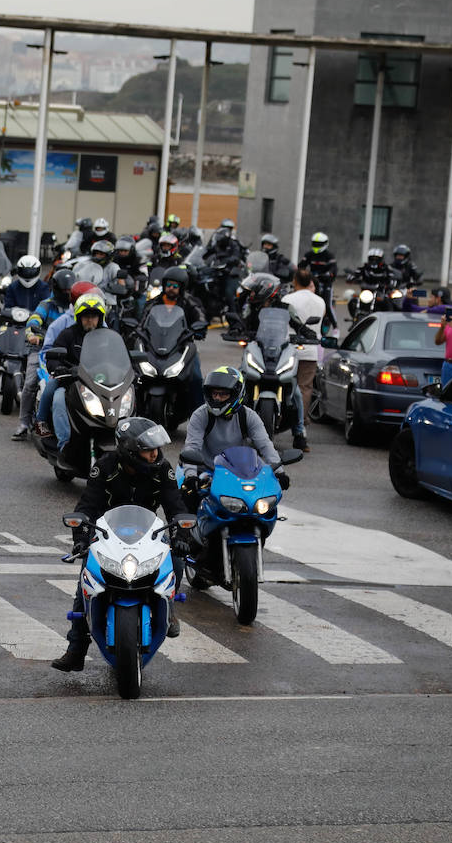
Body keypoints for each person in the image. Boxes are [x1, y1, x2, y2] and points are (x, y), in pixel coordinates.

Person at [51, 417, 193, 671]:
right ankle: (76, 649)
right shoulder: (104, 467)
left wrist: (181, 538)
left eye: (156, 449)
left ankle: (168, 607)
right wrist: (81, 540)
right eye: (148, 450)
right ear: (130, 453)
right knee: (87, 582)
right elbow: (87, 506)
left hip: (148, 533)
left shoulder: (162, 469)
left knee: (177, 560)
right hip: (108, 536)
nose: (155, 454)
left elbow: (175, 506)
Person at [181, 366, 286, 506]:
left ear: (237, 394)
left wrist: (279, 472)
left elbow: (265, 445)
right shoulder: (200, 415)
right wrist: (190, 476)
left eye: (223, 394)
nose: (217, 398)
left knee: (262, 508)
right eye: (214, 394)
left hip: (239, 474)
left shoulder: (249, 417)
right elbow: (192, 447)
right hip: (204, 471)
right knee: (187, 503)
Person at [235, 272, 312, 452]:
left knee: (297, 393)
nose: (252, 296)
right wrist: (237, 329)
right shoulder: (252, 309)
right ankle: (230, 426)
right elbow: (242, 322)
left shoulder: (285, 308)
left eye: (254, 292)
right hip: (257, 349)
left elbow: (297, 324)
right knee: (237, 380)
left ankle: (299, 434)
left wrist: (307, 333)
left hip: (280, 350)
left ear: (266, 291)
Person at [47, 289, 110, 463]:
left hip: (101, 386)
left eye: (94, 316)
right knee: (57, 398)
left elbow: (120, 357)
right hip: (71, 383)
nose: (90, 319)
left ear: (100, 318)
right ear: (79, 316)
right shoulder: (68, 334)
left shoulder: (107, 337)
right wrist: (59, 368)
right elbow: (52, 356)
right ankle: (63, 443)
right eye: (86, 316)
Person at [14, 268, 75, 440]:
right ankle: (24, 424)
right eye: (64, 291)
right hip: (42, 350)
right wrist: (32, 335)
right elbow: (34, 320)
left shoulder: (76, 308)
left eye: (70, 290)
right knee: (31, 383)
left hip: (68, 354)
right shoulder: (46, 304)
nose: (67, 293)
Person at [146, 266, 207, 409]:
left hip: (181, 346)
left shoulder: (190, 302)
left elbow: (200, 317)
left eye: (175, 286)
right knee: (136, 375)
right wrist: (137, 330)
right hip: (155, 345)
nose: (171, 288)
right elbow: (143, 320)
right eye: (168, 285)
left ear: (181, 287)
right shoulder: (154, 302)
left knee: (196, 378)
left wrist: (199, 329)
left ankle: (200, 416)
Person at [282, 269, 327, 451]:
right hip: (310, 351)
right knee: (304, 388)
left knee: (285, 386)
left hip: (288, 350)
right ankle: (301, 430)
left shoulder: (288, 300)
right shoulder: (320, 301)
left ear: (295, 281)